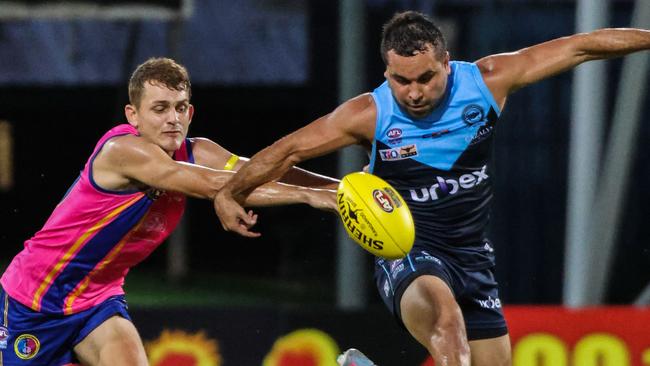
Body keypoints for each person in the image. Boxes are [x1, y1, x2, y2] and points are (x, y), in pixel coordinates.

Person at [214, 10, 650, 366]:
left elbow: (583, 45)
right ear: (386, 72)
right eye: (400, 81)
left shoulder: (489, 81)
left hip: (472, 256)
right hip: (408, 251)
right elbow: (287, 150)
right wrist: (230, 193)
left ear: (446, 62)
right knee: (448, 327)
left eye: (425, 78)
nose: (414, 93)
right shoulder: (369, 113)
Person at [0, 57, 339, 365]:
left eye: (180, 109)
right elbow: (214, 185)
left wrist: (338, 189)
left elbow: (263, 169)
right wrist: (308, 197)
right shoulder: (124, 150)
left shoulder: (198, 150)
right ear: (133, 115)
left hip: (98, 300)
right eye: (160, 109)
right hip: (34, 300)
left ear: (190, 113)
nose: (172, 119)